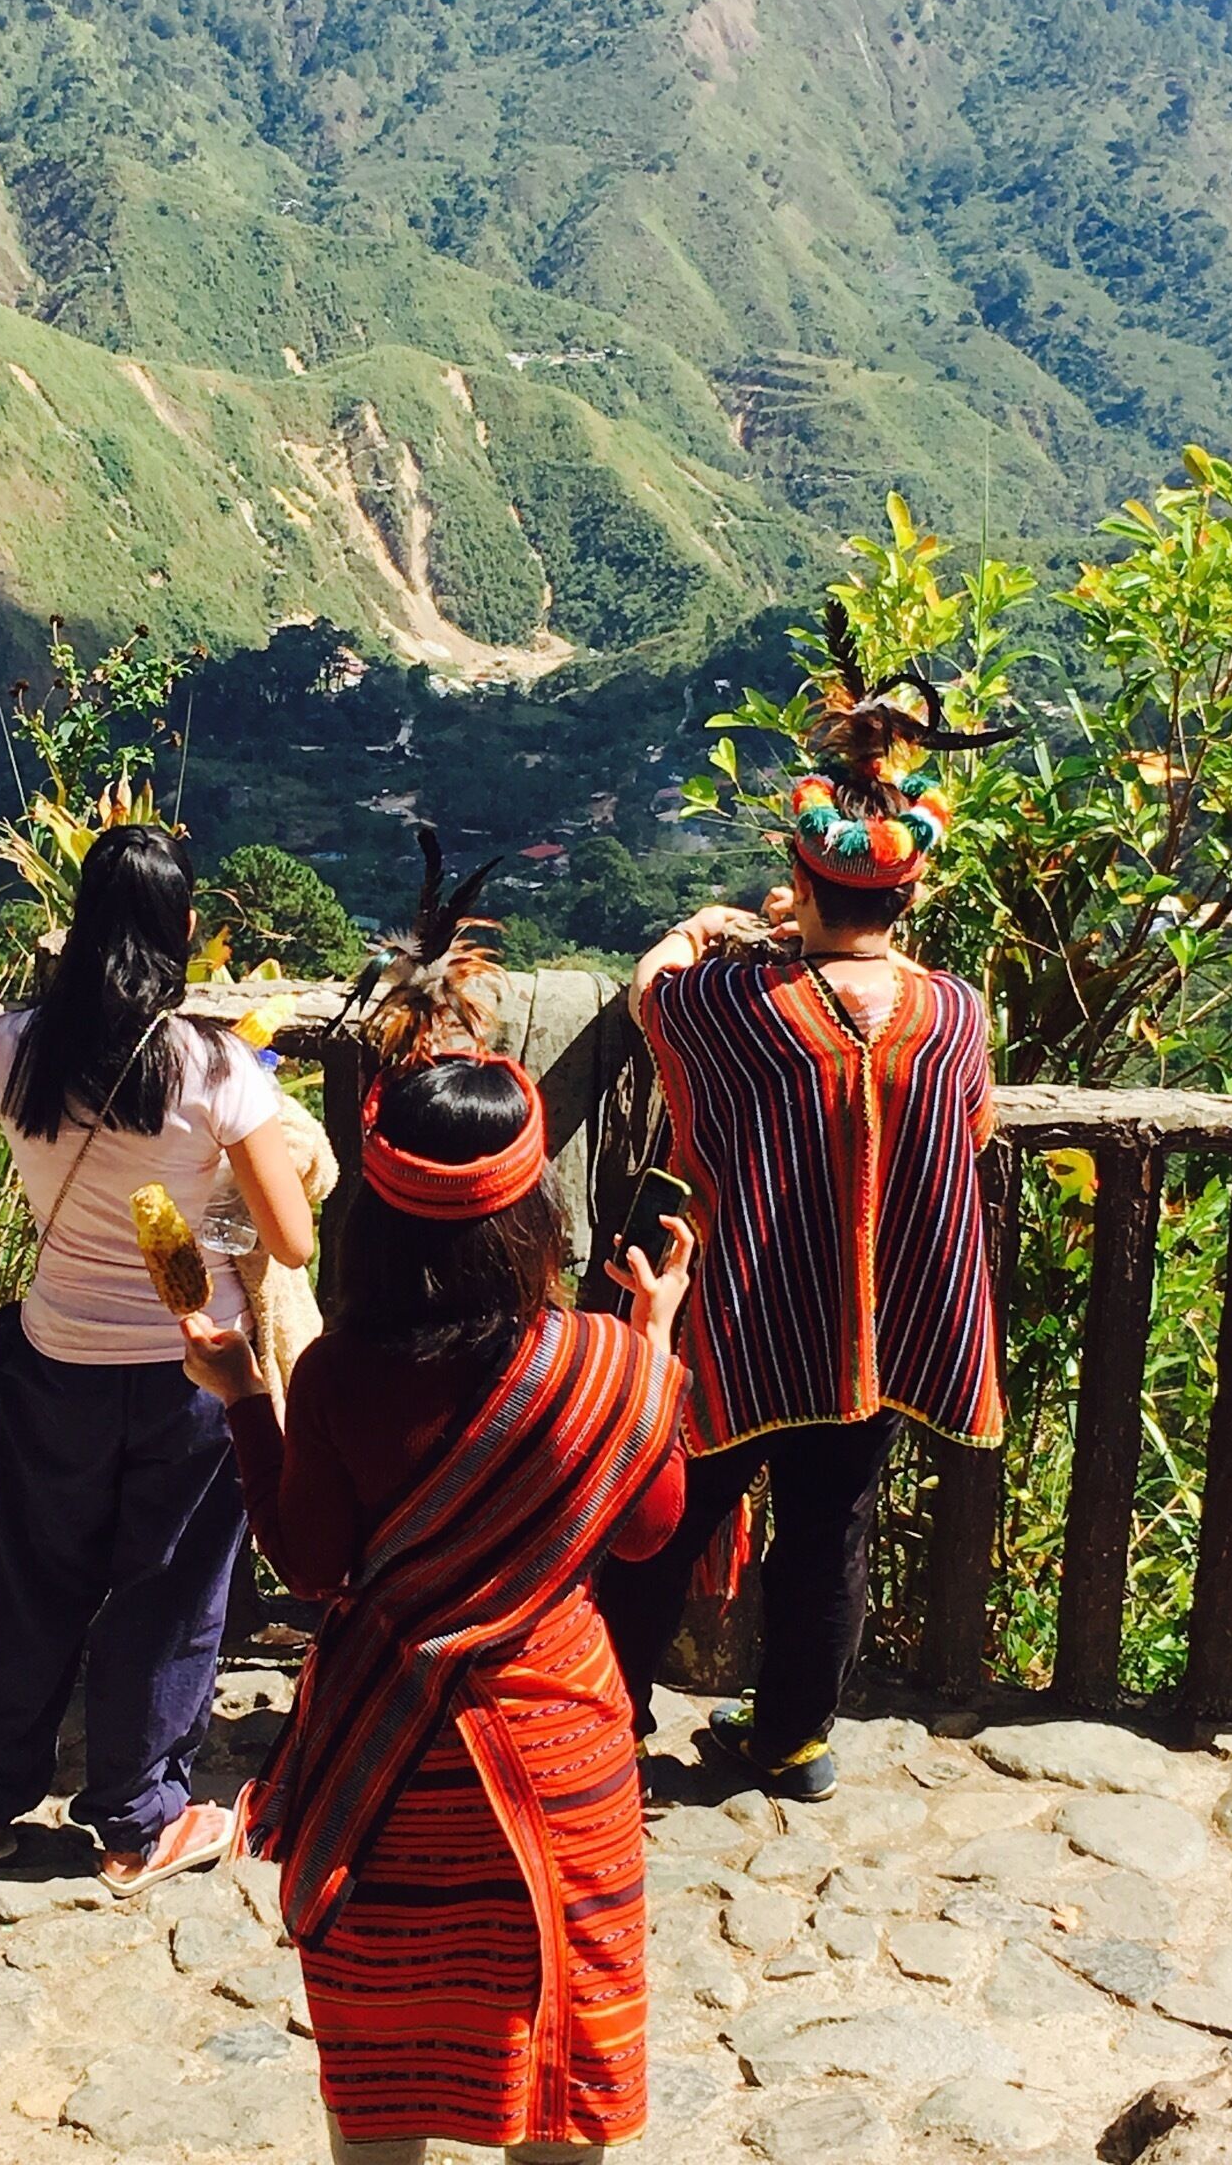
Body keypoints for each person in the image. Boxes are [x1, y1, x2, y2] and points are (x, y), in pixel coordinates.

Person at [184, 978, 693, 2162]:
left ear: (381, 1217)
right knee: (560, 2057)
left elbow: (311, 1565)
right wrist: (655, 1341)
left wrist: (249, 1402)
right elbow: (651, 1529)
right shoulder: (604, 1361)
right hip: (557, 1750)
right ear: (534, 1217)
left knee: (387, 2078)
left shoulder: (344, 1380)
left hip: (391, 1766)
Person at [598, 670, 1002, 1803]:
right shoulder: (952, 1013)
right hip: (873, 1327)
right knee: (830, 1532)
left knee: (666, 1515)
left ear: (799, 878)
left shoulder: (737, 1005)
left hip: (740, 1317)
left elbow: (652, 992)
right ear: (909, 896)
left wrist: (700, 929)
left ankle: (611, 1716)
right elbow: (964, 1127)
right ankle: (791, 1739)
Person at [0, 825, 315, 1893]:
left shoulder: (11, 1046)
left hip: (56, 1350)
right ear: (184, 933)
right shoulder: (216, 1069)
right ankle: (136, 1820)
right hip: (192, 1369)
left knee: (31, 1582)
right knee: (170, 1593)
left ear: (81, 925)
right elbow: (291, 1240)